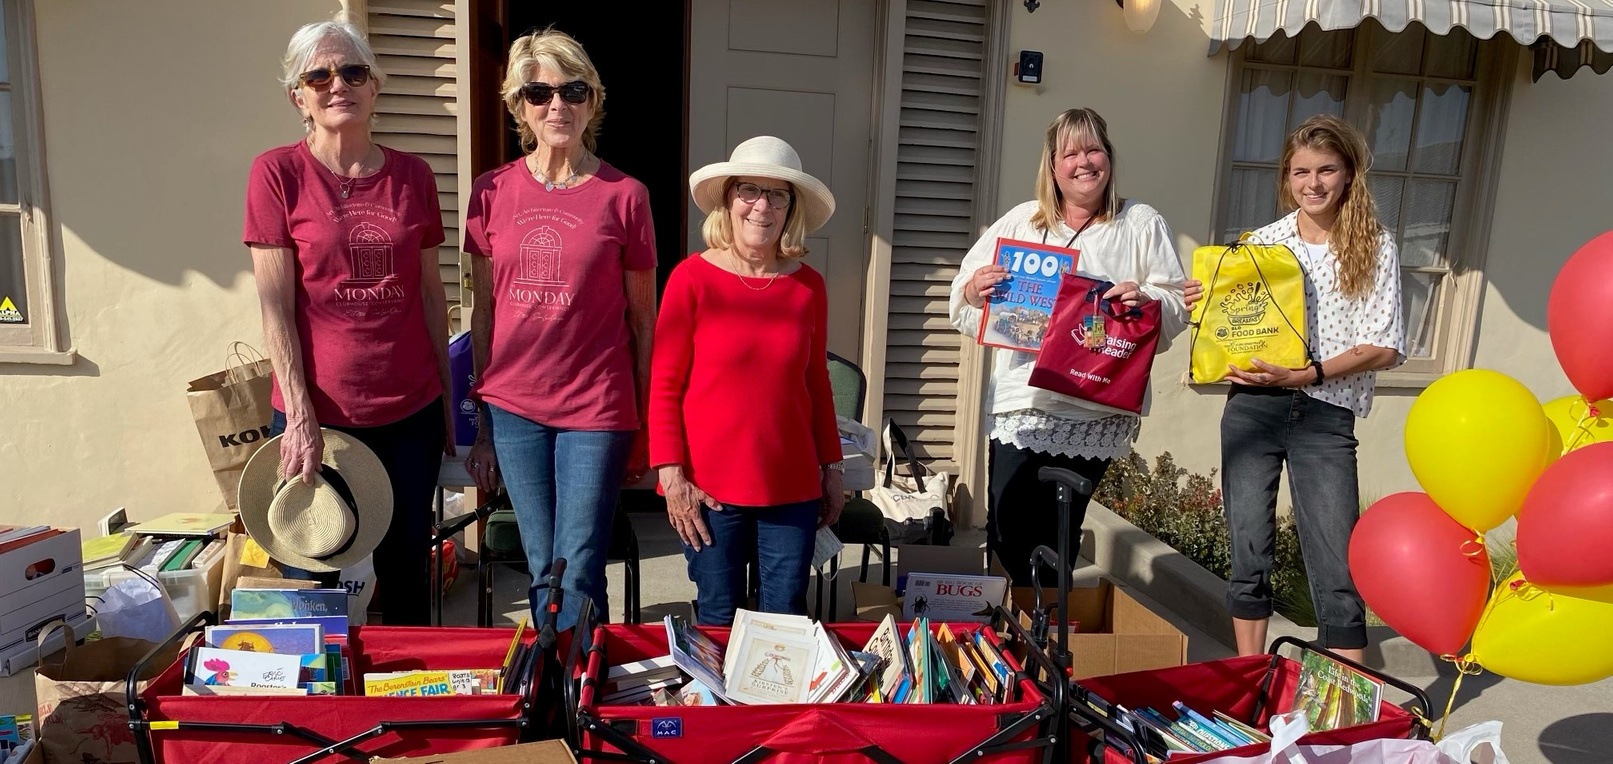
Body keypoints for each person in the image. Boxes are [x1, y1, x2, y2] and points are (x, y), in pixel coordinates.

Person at [244, 18, 453, 625]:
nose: (339, 84)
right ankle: (326, 713)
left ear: (375, 86)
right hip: (320, 417)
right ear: (299, 96)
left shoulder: (413, 175)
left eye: (353, 71)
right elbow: (275, 307)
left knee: (406, 571)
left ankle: (403, 704)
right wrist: (301, 414)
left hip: (408, 410)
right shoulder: (277, 174)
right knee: (314, 574)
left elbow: (432, 298)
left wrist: (445, 399)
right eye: (320, 75)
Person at [1184, 114, 1404, 662]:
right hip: (1253, 410)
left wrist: (1306, 374)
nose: (1314, 183)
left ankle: (1349, 700)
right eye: (1301, 171)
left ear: (1349, 173)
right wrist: (1205, 305)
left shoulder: (1375, 246)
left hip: (1325, 413)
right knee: (1249, 551)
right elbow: (1234, 327)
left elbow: (1386, 345)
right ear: (1286, 177)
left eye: (1327, 169)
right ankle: (1251, 674)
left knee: (1335, 562)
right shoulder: (1260, 244)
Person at [461, 29, 657, 631]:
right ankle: (553, 688)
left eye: (573, 90)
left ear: (592, 100)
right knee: (541, 560)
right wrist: (485, 423)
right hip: (515, 406)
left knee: (579, 562)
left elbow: (643, 321)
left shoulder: (625, 196)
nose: (557, 105)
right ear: (518, 105)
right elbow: (484, 314)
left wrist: (649, 422)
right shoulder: (491, 193)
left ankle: (578, 692)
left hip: (595, 407)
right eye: (538, 92)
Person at [948, 108, 1188, 588]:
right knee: (1007, 530)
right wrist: (976, 288)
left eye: (1093, 149)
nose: (1084, 162)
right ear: (1052, 166)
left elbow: (1177, 301)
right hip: (1024, 403)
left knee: (1060, 537)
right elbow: (964, 297)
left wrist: (1145, 300)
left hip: (1094, 405)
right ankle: (1009, 643)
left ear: (1109, 157)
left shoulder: (1140, 222)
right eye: (1070, 153)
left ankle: (1049, 640)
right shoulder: (1022, 222)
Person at [650, 136, 844, 627]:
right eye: (749, 190)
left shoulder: (809, 288)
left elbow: (816, 383)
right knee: (718, 616)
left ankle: (773, 709)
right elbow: (665, 384)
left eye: (777, 194)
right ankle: (718, 707)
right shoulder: (690, 279)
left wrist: (833, 468)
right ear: (728, 200)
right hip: (708, 488)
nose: (761, 206)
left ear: (791, 209)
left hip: (792, 485)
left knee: (784, 622)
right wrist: (671, 475)